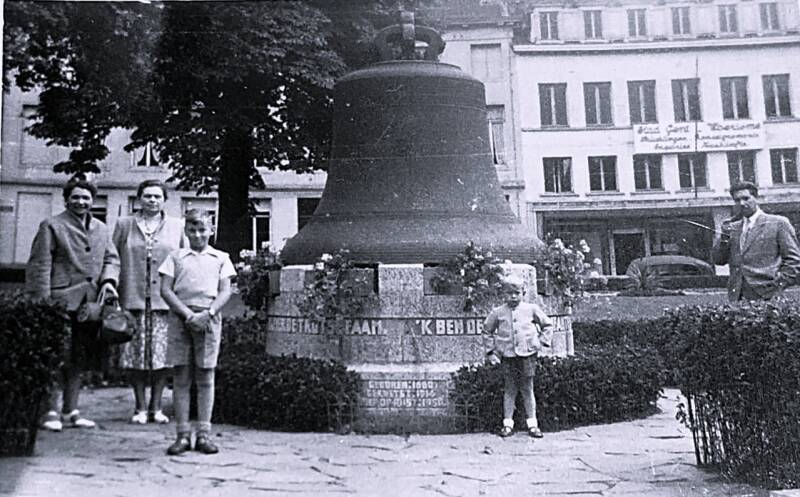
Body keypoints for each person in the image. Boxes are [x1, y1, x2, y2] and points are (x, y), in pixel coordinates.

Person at [26, 175, 120, 431]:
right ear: (66, 200)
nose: (81, 202)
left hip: (89, 306)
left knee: (79, 359)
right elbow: (40, 265)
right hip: (59, 302)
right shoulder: (52, 226)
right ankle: (50, 411)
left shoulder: (101, 228)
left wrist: (108, 281)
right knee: (56, 358)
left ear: (93, 201)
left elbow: (112, 259)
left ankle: (72, 410)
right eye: (75, 197)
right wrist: (42, 304)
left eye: (86, 198)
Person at [159, 209, 235, 455]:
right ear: (186, 231)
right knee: (181, 377)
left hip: (208, 319)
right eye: (192, 230)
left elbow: (225, 291)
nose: (198, 235)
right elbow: (166, 290)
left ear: (211, 230)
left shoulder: (220, 258)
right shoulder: (176, 257)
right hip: (181, 318)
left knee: (205, 375)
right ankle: (182, 435)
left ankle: (204, 434)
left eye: (202, 230)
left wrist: (208, 313)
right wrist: (187, 315)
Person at [112, 180, 186, 424]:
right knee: (134, 355)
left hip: (165, 301)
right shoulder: (124, 224)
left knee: (162, 356)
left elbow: (184, 261)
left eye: (157, 196)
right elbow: (113, 258)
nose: (152, 201)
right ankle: (140, 407)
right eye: (147, 196)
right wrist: (111, 286)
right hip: (132, 297)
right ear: (139, 199)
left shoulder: (177, 226)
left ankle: (157, 406)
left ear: (164, 200)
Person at [483, 275, 553, 438]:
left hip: (527, 354)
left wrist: (540, 342)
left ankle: (533, 424)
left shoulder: (531, 309)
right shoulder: (498, 312)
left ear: (523, 293)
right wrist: (491, 352)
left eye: (517, 293)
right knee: (510, 389)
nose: (513, 296)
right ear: (503, 294)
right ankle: (507, 424)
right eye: (509, 293)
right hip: (507, 355)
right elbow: (487, 331)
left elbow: (547, 325)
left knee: (527, 388)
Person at [712, 181, 800, 302]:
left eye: (746, 198)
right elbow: (719, 260)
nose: (742, 203)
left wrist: (778, 284)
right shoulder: (732, 227)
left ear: (756, 198)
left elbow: (794, 260)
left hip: (768, 295)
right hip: (737, 296)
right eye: (737, 200)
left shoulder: (778, 223)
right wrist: (724, 238)